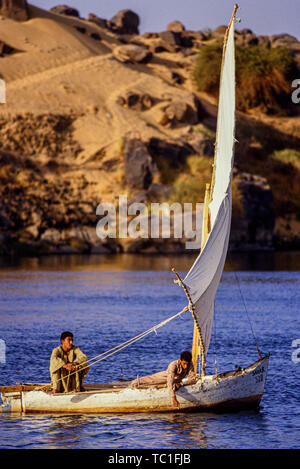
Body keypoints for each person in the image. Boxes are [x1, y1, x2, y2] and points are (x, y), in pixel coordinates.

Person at [131, 351, 196, 408]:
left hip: (177, 380)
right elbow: (170, 381)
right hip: (164, 377)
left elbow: (193, 379)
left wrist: (181, 384)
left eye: (187, 364)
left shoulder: (190, 364)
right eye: (184, 364)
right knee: (144, 381)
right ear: (180, 360)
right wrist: (174, 398)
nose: (186, 367)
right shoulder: (173, 365)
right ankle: (133, 383)